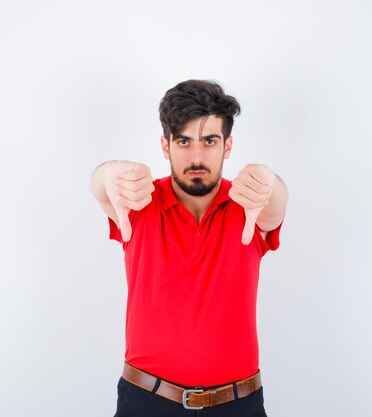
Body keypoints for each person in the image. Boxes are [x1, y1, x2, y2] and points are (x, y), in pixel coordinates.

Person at [90, 80, 288, 416]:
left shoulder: (249, 204)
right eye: (183, 141)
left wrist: (271, 183)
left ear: (227, 146)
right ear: (165, 146)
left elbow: (275, 204)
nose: (196, 157)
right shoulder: (137, 203)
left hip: (238, 404)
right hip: (146, 401)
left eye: (209, 141)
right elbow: (101, 186)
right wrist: (106, 173)